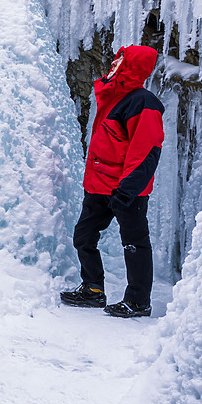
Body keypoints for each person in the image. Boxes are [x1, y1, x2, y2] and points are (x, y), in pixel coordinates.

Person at [60, 44, 165, 318]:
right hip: (98, 186)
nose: (114, 63)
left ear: (133, 67)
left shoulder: (143, 102)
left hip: (126, 189)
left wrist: (128, 189)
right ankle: (93, 289)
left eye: (121, 60)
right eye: (116, 58)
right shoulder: (112, 97)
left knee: (134, 244)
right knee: (83, 235)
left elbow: (146, 149)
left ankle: (138, 302)